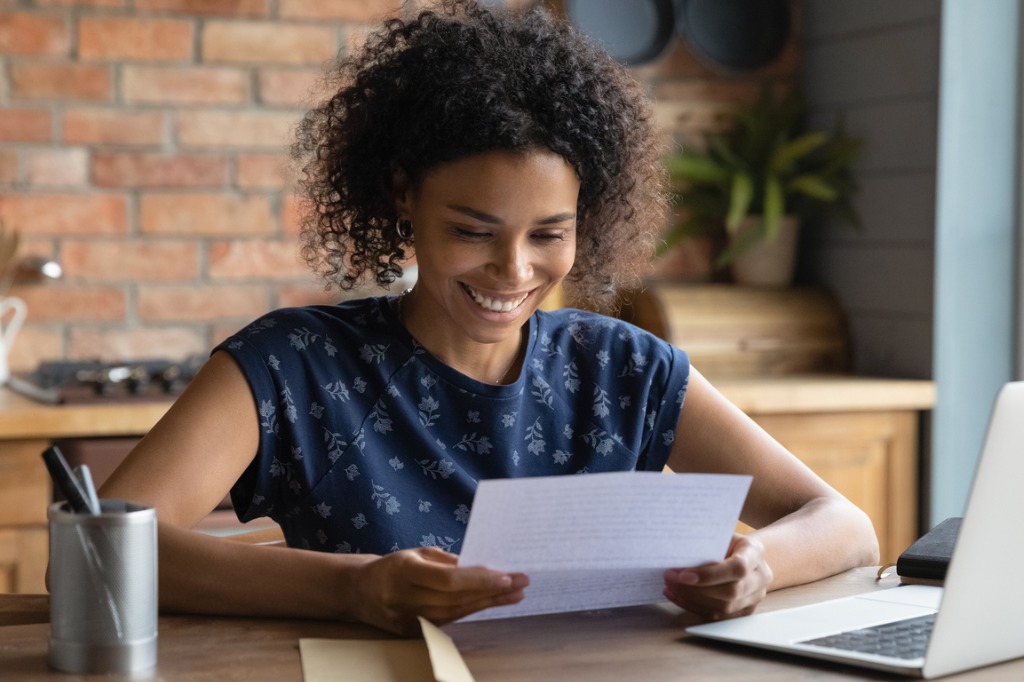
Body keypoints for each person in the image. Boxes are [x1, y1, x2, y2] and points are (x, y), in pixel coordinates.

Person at [99, 0, 878, 636]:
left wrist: (759, 565)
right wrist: (352, 590)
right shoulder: (294, 364)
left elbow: (843, 525)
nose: (513, 271)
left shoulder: (623, 369)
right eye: (473, 231)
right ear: (404, 197)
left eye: (549, 234)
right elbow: (103, 548)